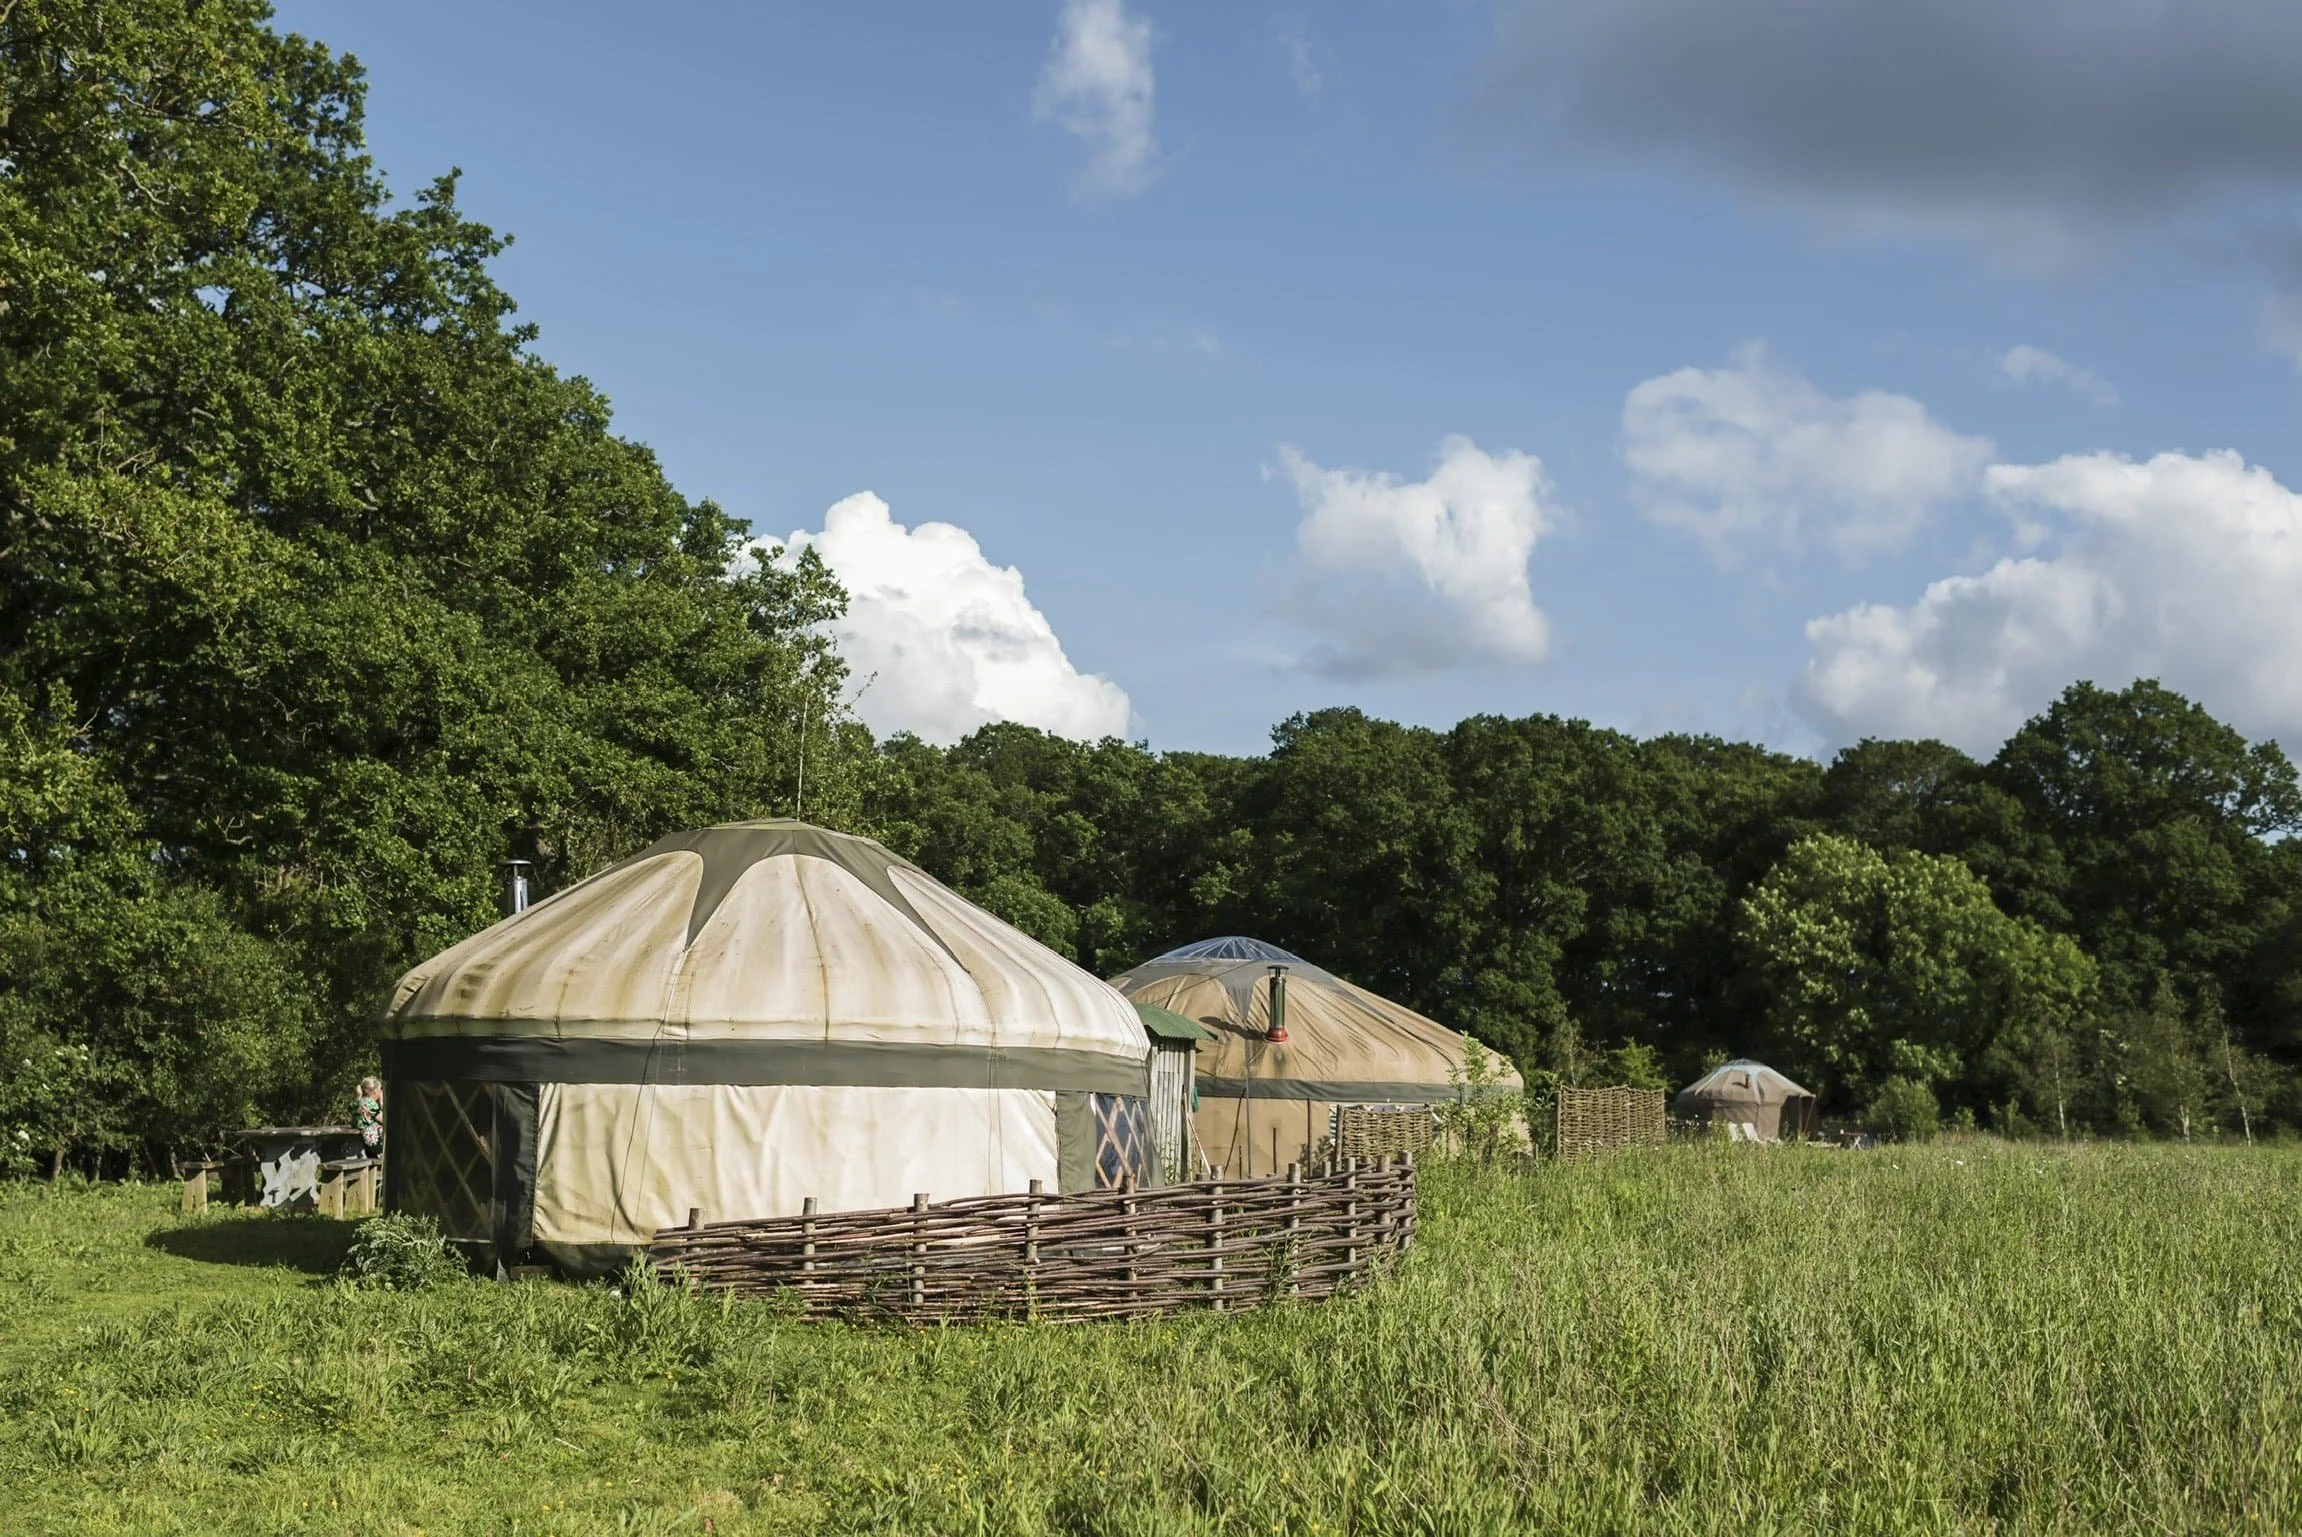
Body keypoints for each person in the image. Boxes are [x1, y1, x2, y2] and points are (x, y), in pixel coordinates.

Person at [356, 1075, 385, 1155]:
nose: (382, 1091)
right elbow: (385, 1120)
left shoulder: (361, 1101)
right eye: (380, 1089)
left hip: (367, 1140)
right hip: (376, 1142)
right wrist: (382, 1103)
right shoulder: (370, 1104)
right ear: (375, 1091)